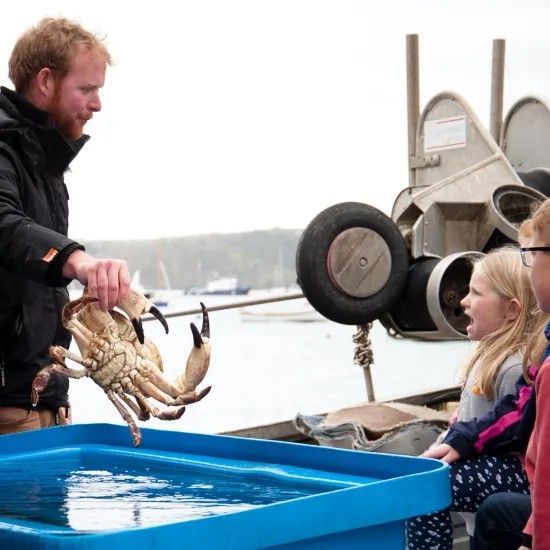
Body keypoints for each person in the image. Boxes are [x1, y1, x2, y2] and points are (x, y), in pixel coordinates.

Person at [0, 18, 131, 434]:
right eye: (87, 89)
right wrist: (78, 261)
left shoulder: (46, 162)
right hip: (8, 407)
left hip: (48, 400)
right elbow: (5, 224)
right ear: (45, 81)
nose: (97, 104)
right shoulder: (4, 150)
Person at [406, 246, 541, 549]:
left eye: (476, 293)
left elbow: (516, 430)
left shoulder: (513, 366)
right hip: (490, 475)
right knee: (420, 477)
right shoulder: (487, 356)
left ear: (512, 310)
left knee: (426, 487)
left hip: (520, 478)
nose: (464, 301)